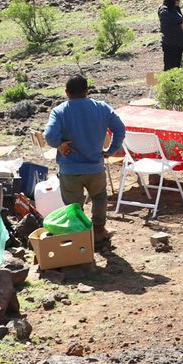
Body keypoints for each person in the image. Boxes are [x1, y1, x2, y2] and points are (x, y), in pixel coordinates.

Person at [42, 75, 126, 252]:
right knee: (99, 198)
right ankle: (99, 231)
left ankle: (80, 239)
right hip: (95, 167)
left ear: (66, 93)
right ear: (87, 91)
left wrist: (60, 145)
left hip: (70, 170)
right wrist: (111, 150)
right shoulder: (102, 108)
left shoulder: (59, 111)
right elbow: (120, 129)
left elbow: (49, 136)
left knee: (74, 207)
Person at [158, 0, 183, 72]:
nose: (179, 1)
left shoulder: (176, 8)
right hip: (170, 44)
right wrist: (180, 27)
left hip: (178, 43)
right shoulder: (165, 11)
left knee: (176, 68)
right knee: (170, 69)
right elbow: (165, 29)